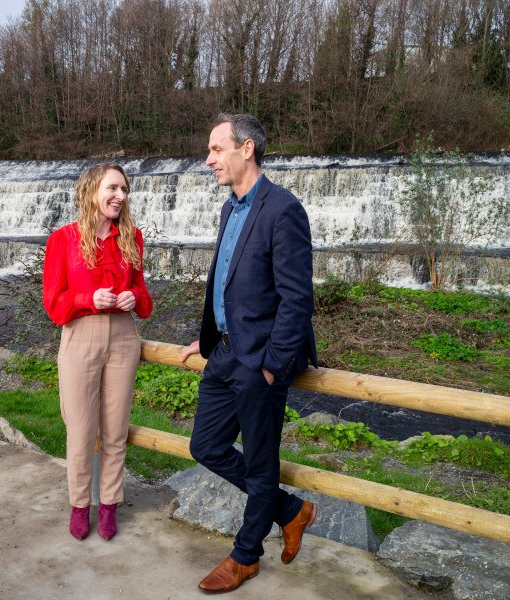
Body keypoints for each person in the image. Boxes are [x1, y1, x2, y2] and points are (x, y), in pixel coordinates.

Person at [180, 113, 319, 594]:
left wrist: (271, 366)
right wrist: (209, 335)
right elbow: (233, 283)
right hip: (224, 352)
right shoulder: (231, 208)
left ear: (247, 149)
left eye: (216, 149)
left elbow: (297, 298)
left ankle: (245, 557)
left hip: (260, 362)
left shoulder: (283, 209)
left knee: (260, 463)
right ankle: (290, 510)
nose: (209, 159)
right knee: (205, 446)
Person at [43, 162, 153, 542]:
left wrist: (132, 296)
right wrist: (88, 297)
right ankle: (78, 505)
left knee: (115, 431)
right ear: (92, 191)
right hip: (81, 336)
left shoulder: (132, 238)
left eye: (124, 189)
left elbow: (146, 301)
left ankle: (109, 506)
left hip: (124, 338)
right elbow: (54, 304)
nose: (120, 196)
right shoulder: (63, 239)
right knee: (81, 432)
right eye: (112, 188)